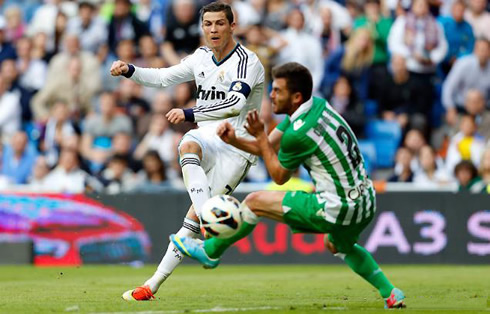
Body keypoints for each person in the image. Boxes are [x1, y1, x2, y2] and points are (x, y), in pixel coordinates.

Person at [171, 62, 405, 309]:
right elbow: (268, 146)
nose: (271, 95)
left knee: (254, 202)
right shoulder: (316, 106)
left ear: (296, 97)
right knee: (337, 244)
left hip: (338, 206)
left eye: (278, 91)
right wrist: (235, 140)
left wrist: (259, 138)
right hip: (366, 201)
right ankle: (391, 292)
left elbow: (279, 176)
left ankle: (211, 251)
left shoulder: (298, 134)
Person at [110, 2, 265, 300]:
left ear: (233, 26)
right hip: (208, 134)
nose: (213, 29)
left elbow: (233, 104)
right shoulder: (201, 57)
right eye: (208, 24)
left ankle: (152, 284)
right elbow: (164, 77)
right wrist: (130, 70)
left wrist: (190, 112)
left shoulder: (248, 62)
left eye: (220, 23)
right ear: (202, 27)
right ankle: (209, 221)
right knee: (186, 144)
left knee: (191, 220)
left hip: (236, 144)